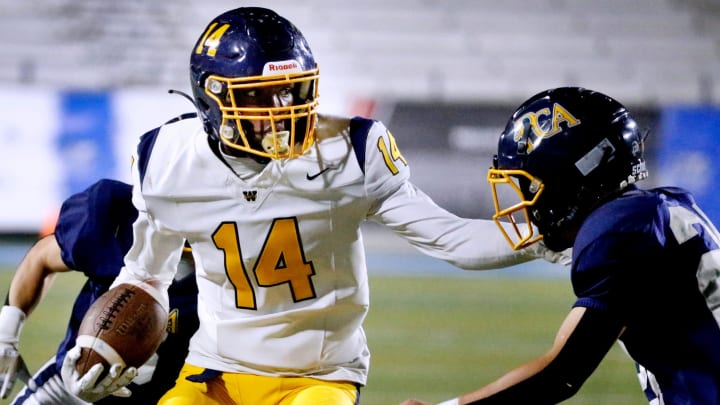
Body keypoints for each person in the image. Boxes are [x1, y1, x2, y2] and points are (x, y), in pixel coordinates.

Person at [61, 7, 568, 405]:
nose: (283, 112)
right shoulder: (167, 161)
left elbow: (449, 237)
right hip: (214, 370)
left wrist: (552, 235)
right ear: (213, 101)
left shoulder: (350, 150)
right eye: (262, 97)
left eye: (292, 92)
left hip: (318, 378)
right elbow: (146, 275)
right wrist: (104, 347)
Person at [401, 86, 720, 405]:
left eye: (531, 185)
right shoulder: (656, 209)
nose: (526, 202)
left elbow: (560, 374)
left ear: (573, 178)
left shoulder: (617, 233)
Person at [0, 178, 199, 404]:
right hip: (71, 379)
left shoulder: (234, 262)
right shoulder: (118, 216)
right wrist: (6, 335)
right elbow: (42, 258)